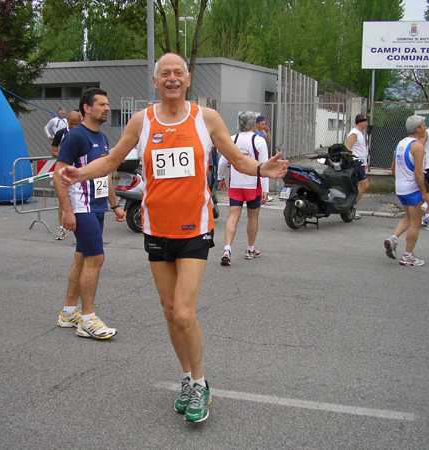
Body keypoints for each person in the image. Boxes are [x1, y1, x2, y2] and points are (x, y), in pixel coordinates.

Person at [58, 53, 288, 423]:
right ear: (155, 81)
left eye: (178, 73)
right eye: (164, 73)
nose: (171, 78)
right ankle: (185, 378)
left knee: (184, 313)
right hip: (155, 230)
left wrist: (263, 168)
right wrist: (77, 173)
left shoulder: (205, 118)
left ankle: (200, 383)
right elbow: (111, 161)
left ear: (188, 78)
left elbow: (239, 161)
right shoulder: (142, 121)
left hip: (194, 230)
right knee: (169, 313)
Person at [53, 88, 126, 340]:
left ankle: (68, 312)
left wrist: (115, 204)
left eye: (108, 104)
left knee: (83, 259)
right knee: (96, 259)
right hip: (81, 206)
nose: (107, 108)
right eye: (102, 105)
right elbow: (58, 174)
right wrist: (67, 211)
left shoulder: (102, 138)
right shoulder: (76, 137)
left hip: (97, 206)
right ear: (87, 108)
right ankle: (87, 319)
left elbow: (104, 173)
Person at [217, 111, 269, 266]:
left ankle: (227, 249)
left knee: (233, 216)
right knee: (253, 217)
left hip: (236, 184)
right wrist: (265, 190)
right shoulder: (259, 141)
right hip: (253, 185)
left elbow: (222, 162)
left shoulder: (232, 140)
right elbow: (264, 167)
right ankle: (250, 249)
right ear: (253, 124)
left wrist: (221, 179)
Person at [383, 115, 429, 266]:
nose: (426, 128)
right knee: (416, 223)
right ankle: (408, 256)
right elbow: (418, 173)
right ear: (418, 129)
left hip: (401, 187)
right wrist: (424, 193)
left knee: (408, 218)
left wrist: (400, 181)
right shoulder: (418, 146)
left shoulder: (401, 143)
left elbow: (393, 167)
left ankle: (393, 239)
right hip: (412, 189)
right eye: (424, 125)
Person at [51, 110, 82, 240]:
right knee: (62, 201)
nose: (73, 127)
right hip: (64, 171)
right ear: (67, 121)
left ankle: (81, 228)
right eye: (71, 124)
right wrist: (66, 156)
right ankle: (61, 228)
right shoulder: (61, 133)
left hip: (79, 173)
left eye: (76, 124)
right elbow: (53, 152)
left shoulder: (84, 134)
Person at [345, 113, 370, 219]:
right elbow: (347, 149)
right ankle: (353, 206)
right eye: (366, 121)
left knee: (355, 186)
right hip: (355, 164)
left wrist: (364, 164)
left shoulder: (359, 133)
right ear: (361, 122)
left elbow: (360, 150)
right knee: (364, 185)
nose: (367, 123)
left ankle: (350, 207)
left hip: (360, 163)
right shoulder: (354, 133)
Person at [254, 116, 273, 201]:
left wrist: (267, 130)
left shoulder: (262, 132)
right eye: (262, 124)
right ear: (257, 124)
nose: (264, 125)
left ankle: (264, 193)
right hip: (257, 157)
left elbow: (269, 140)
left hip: (263, 155)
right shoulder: (254, 133)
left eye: (265, 124)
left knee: (264, 174)